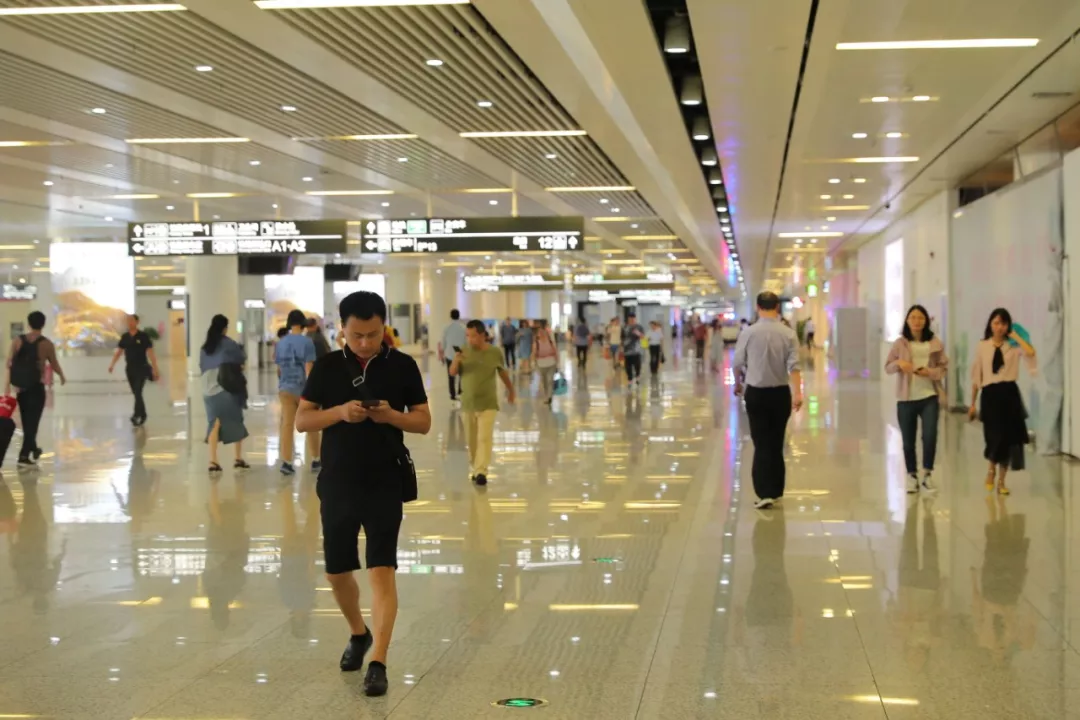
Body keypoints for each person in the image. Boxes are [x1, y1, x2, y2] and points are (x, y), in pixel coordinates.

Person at [295, 291, 430, 697]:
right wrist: (340, 412)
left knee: (381, 569)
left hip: (385, 480)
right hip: (338, 481)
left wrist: (389, 415)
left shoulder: (402, 365)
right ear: (342, 329)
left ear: (384, 327)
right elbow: (303, 420)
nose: (366, 342)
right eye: (357, 335)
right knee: (336, 572)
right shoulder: (327, 366)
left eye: (373, 334)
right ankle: (359, 632)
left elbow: (423, 421)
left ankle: (379, 661)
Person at [733, 292, 803, 509]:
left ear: (758, 307)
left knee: (761, 442)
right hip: (780, 394)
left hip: (756, 394)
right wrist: (798, 393)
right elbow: (794, 366)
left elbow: (737, 362)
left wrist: (737, 384)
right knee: (776, 441)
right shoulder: (788, 334)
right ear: (777, 307)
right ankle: (776, 490)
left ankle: (764, 492)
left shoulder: (748, 332)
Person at [969, 308, 1036, 495]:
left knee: (1009, 438)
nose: (1000, 327)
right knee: (994, 437)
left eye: (1004, 323)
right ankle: (991, 470)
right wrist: (972, 403)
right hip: (990, 396)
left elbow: (1030, 353)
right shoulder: (983, 346)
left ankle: (1001, 481)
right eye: (996, 323)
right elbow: (977, 376)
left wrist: (1016, 337)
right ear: (990, 324)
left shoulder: (1013, 346)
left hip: (1010, 394)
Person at [884, 305, 948, 493]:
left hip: (929, 396)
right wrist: (899, 363)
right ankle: (912, 475)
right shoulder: (900, 343)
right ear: (907, 320)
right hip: (906, 399)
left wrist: (930, 372)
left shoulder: (935, 343)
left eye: (920, 318)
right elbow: (888, 367)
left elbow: (944, 368)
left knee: (930, 436)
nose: (917, 321)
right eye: (913, 317)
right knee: (907, 441)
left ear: (926, 321)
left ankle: (927, 474)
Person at [449, 320, 515, 486]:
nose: (469, 339)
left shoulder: (494, 352)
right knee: (471, 441)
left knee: (484, 438)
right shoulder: (463, 351)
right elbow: (452, 372)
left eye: (473, 336)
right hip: (468, 404)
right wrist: (456, 360)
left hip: (488, 403)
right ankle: (475, 467)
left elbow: (502, 372)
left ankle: (481, 471)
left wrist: (511, 390)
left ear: (482, 335)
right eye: (467, 336)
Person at [5, 311, 65, 468]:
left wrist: (7, 386)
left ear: (29, 323)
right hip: (36, 388)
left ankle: (33, 449)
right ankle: (24, 456)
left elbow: (9, 363)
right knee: (33, 423)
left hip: (21, 388)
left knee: (27, 422)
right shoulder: (46, 343)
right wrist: (62, 376)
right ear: (43, 324)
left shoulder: (17, 341)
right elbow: (54, 364)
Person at [199, 314, 249, 474]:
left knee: (214, 423)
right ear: (225, 328)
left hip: (207, 390)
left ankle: (212, 461)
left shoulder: (205, 347)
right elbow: (241, 360)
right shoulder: (229, 344)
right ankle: (238, 458)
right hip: (225, 387)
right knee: (236, 420)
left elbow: (201, 367)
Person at [276, 310, 317, 475]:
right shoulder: (307, 342)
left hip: (285, 388)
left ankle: (286, 462)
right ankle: (316, 459)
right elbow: (309, 368)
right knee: (311, 422)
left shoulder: (281, 343)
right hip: (303, 389)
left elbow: (279, 369)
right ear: (302, 324)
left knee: (287, 425)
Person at [108, 314, 160, 427]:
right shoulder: (125, 337)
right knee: (136, 393)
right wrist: (112, 364)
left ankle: (136, 415)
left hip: (142, 368)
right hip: (130, 369)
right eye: (128, 321)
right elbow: (119, 352)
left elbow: (151, 353)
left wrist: (155, 369)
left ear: (137, 322)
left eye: (132, 320)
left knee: (137, 391)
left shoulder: (143, 336)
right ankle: (143, 414)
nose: (130, 323)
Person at [438, 309, 466, 408]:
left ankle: (452, 395)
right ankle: (460, 391)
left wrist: (442, 352)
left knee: (451, 375)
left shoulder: (446, 327)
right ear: (459, 316)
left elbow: (443, 341)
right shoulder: (463, 327)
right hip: (461, 354)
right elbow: (466, 341)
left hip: (449, 354)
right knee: (462, 374)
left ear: (450, 316)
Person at [533, 320, 560, 404]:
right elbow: (534, 351)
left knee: (549, 380)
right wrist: (534, 362)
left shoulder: (550, 337)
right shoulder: (537, 339)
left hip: (551, 363)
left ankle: (549, 396)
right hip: (541, 363)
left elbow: (554, 349)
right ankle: (547, 395)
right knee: (545, 381)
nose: (541, 333)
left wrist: (557, 361)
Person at [621, 313, 645, 385]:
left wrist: (638, 333)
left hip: (636, 350)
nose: (631, 320)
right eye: (630, 319)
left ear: (635, 319)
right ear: (628, 319)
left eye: (633, 319)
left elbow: (643, 337)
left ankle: (637, 376)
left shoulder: (639, 327)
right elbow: (622, 338)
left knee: (637, 365)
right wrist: (621, 348)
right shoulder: (624, 327)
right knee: (627, 366)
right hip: (627, 350)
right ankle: (630, 379)